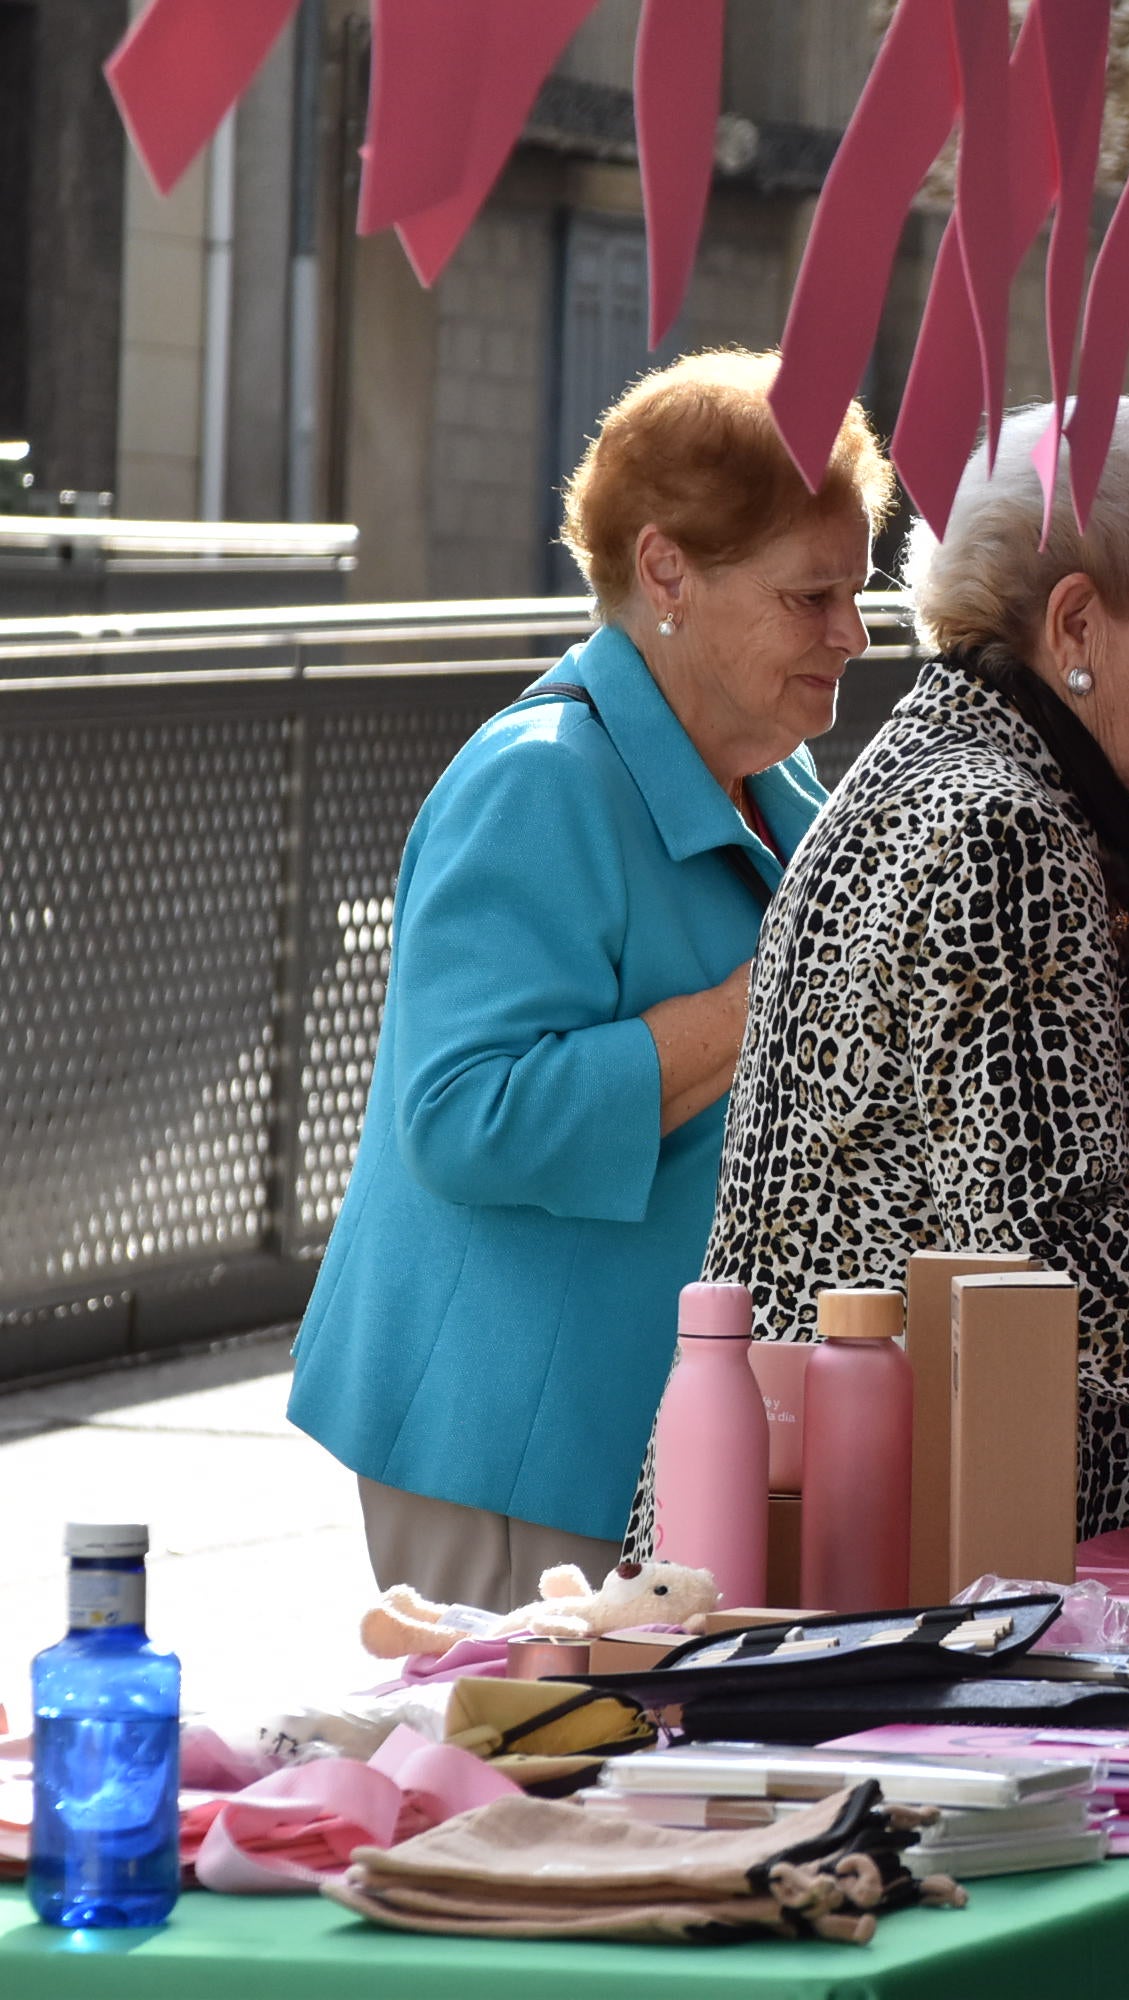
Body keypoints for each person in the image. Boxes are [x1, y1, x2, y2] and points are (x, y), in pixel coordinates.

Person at [631, 397, 1129, 1548]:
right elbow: (1037, 1250)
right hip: (916, 1540)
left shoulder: (934, 765)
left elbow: (958, 1166)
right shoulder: (1002, 828)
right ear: (1075, 621)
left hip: (838, 1493)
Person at [288, 351, 895, 1607]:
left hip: (661, 1439)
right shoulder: (541, 776)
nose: (855, 631)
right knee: (528, 1794)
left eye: (858, 589)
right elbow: (465, 1117)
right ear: (666, 571)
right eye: (812, 595)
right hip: (510, 1446)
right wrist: (754, 1008)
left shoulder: (778, 784)